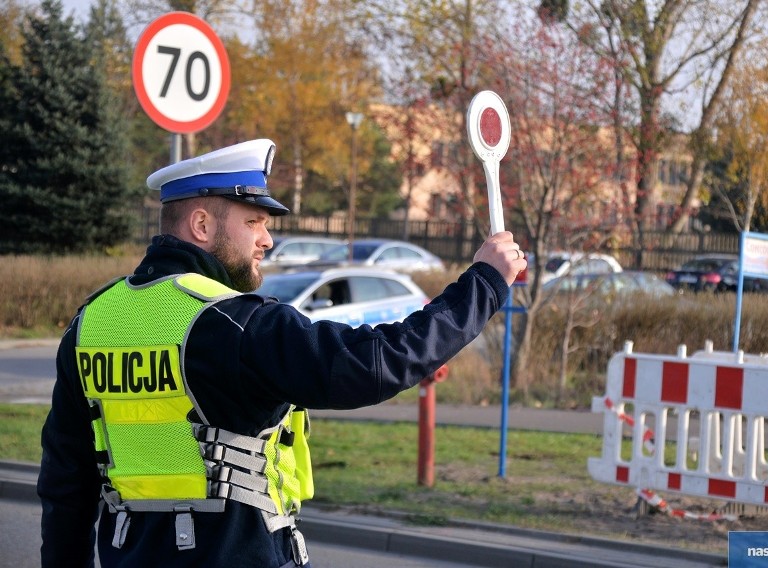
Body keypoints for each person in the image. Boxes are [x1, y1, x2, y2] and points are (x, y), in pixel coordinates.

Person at [38, 138, 526, 568]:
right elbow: (378, 362)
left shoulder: (91, 324)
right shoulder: (235, 324)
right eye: (253, 221)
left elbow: (66, 484)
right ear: (202, 224)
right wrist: (482, 284)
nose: (267, 240)